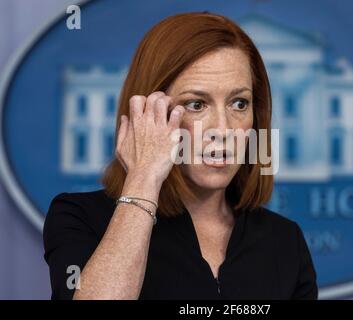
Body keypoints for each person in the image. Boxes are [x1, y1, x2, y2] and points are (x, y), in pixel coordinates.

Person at [43, 12, 317, 300]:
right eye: (196, 104)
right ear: (148, 113)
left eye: (239, 103)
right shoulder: (78, 217)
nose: (223, 130)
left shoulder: (286, 240)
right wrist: (144, 177)